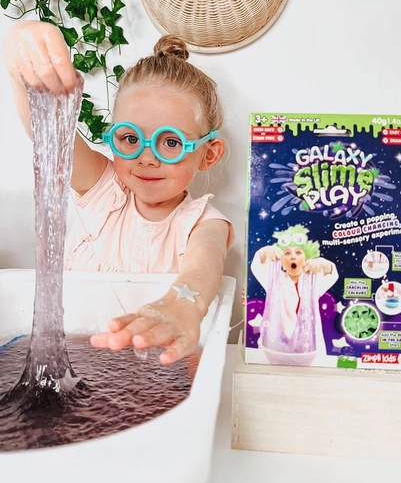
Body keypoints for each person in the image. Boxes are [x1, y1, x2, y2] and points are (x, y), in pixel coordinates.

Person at [3, 20, 234, 366]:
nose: (147, 157)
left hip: (153, 371)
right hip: (75, 363)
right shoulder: (103, 188)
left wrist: (185, 303)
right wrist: (18, 53)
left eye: (171, 142)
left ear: (208, 154)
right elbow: (47, 129)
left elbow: (205, 264)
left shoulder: (202, 224)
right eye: (130, 138)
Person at [250, 224, 337, 357]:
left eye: (298, 252)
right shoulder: (274, 280)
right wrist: (265, 252)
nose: (292, 257)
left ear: (306, 258)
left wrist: (322, 263)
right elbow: (258, 266)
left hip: (308, 347)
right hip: (276, 345)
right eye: (287, 253)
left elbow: (331, 274)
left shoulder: (314, 281)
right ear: (282, 261)